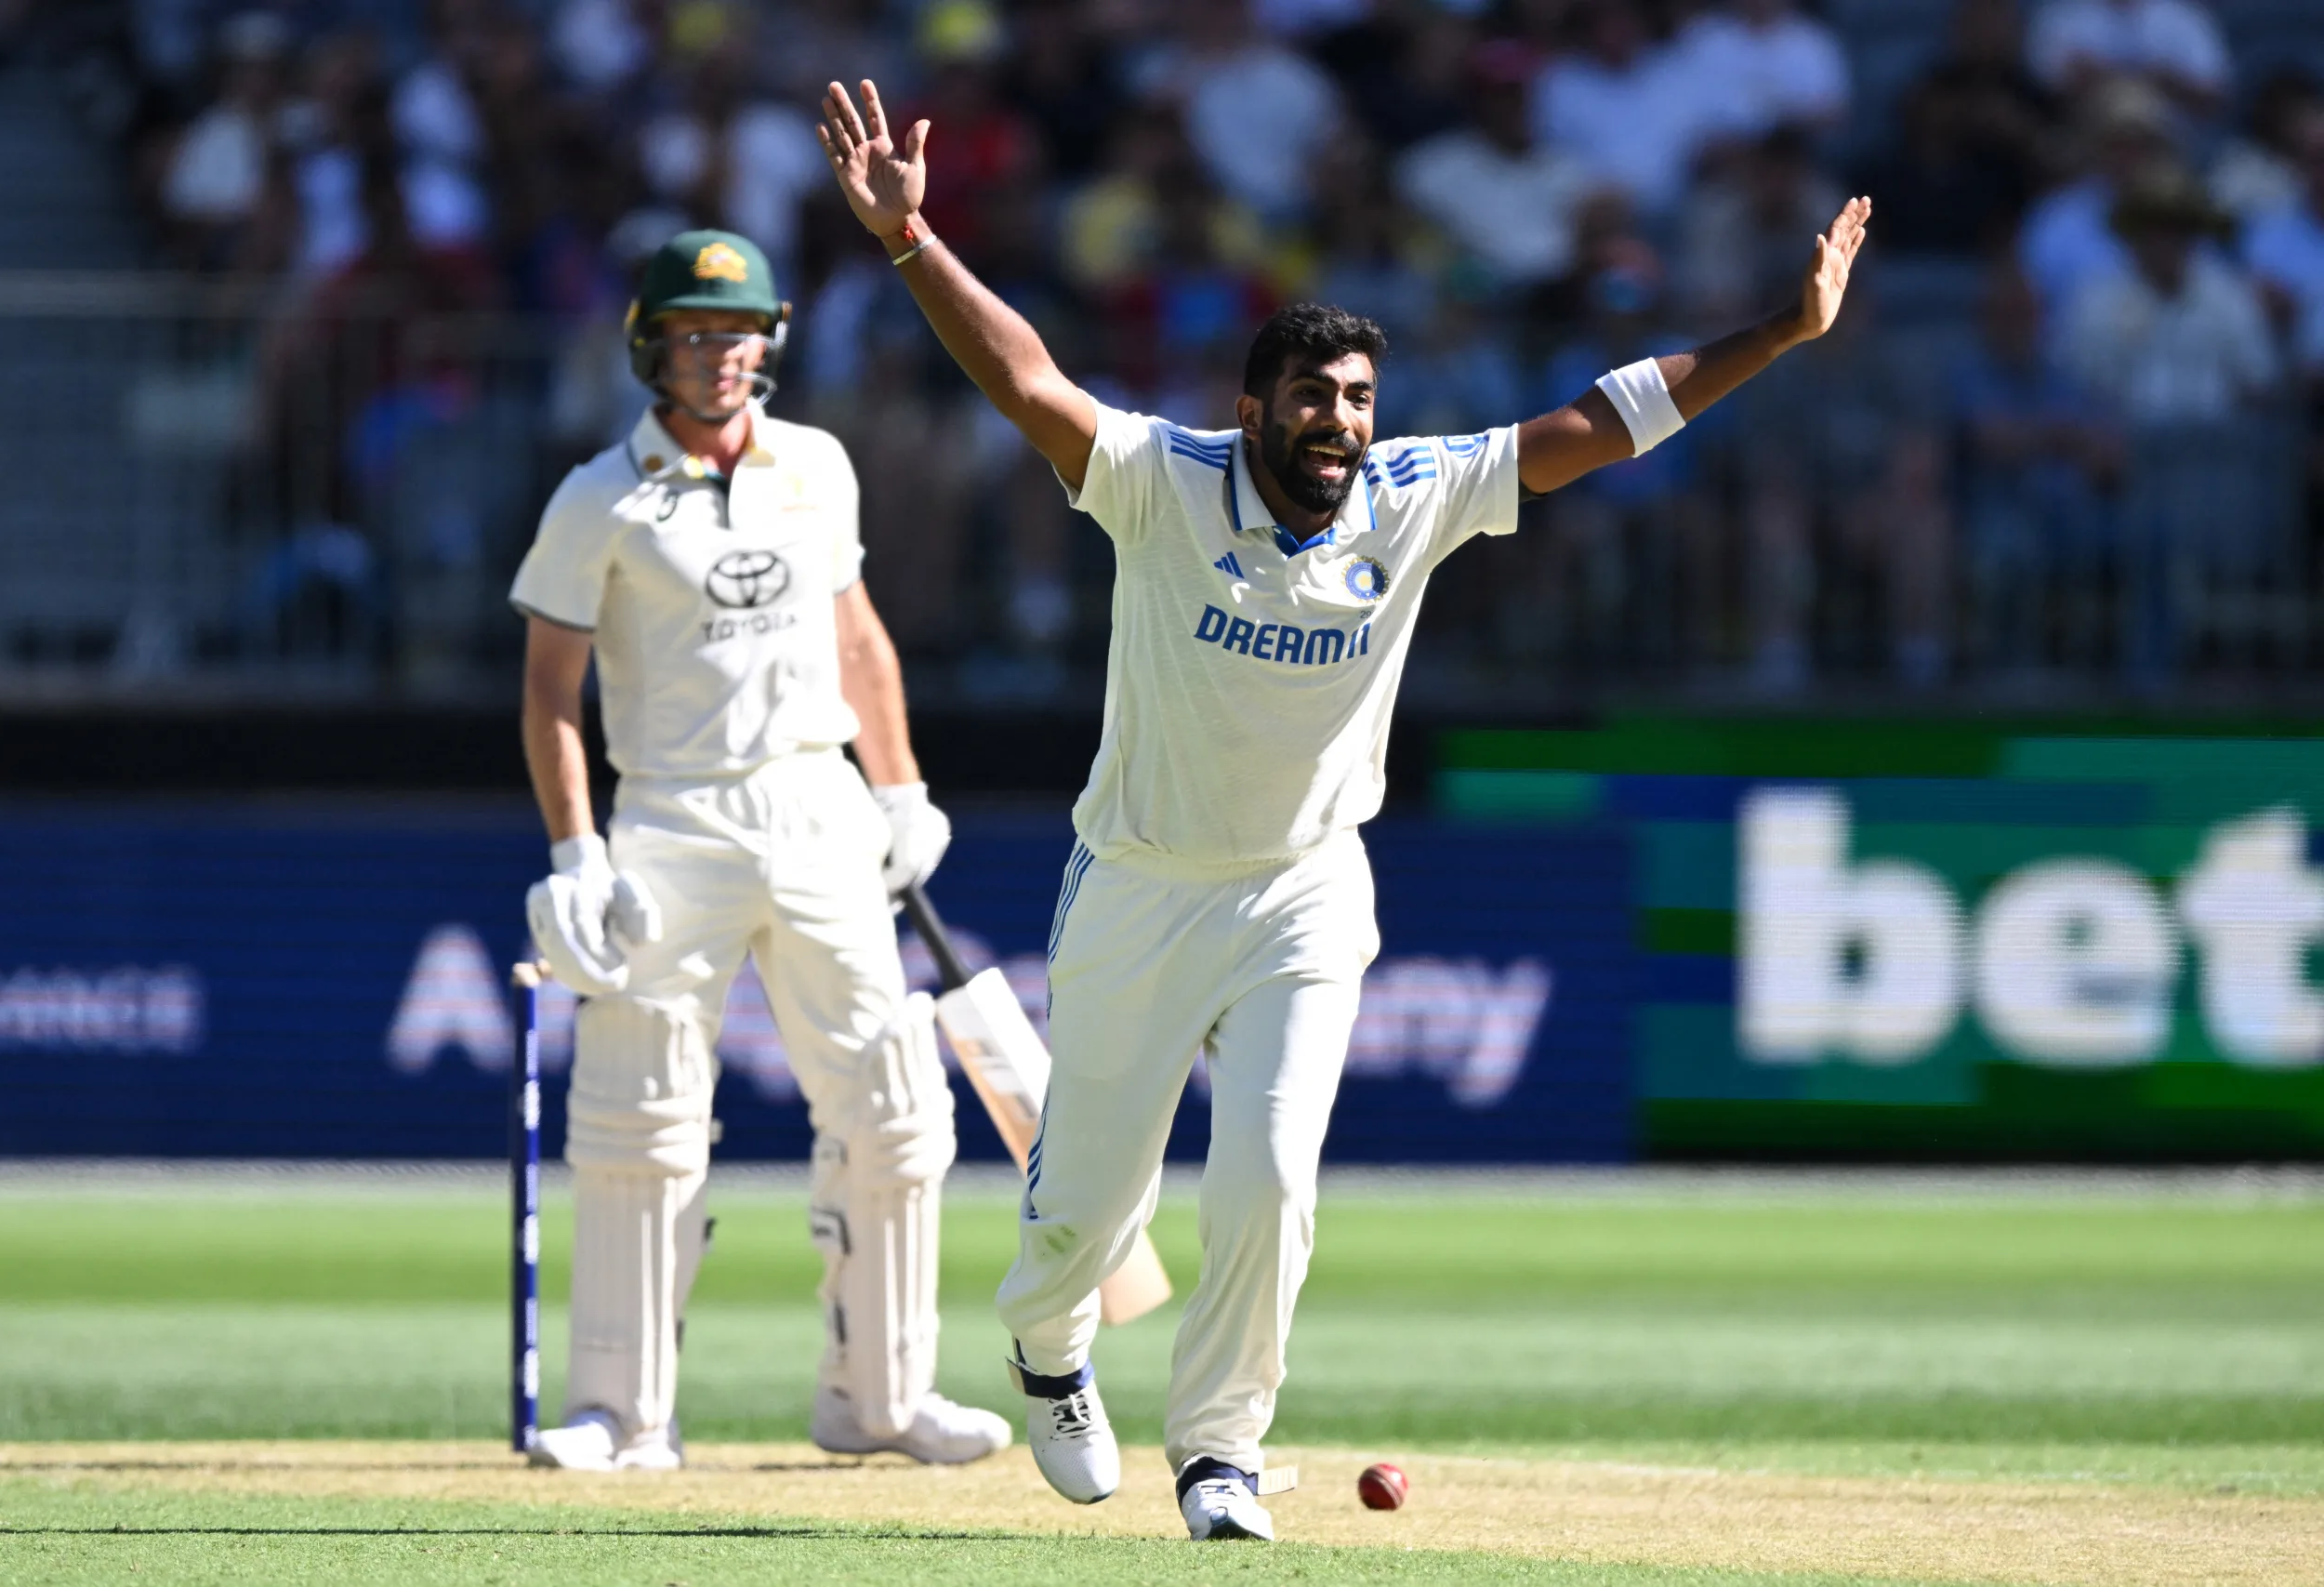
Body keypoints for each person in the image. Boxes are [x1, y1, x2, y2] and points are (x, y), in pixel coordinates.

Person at [815, 79, 1871, 1541]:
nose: (1341, 425)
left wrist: (1778, 334)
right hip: (1139, 879)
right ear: (1253, 408)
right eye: (1313, 399)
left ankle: (1219, 1453)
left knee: (1267, 1174)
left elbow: (1599, 421)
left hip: (1307, 890)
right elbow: (1031, 385)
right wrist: (910, 241)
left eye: (1360, 400)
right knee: (1080, 1217)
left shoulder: (1411, 495)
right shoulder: (1163, 484)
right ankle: (1048, 1345)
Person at [508, 229, 1010, 1473]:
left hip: (817, 807)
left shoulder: (818, 467)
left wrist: (900, 790)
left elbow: (861, 642)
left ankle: (881, 1400)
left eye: (739, 333)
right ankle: (621, 1414)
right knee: (637, 1112)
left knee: (894, 1104)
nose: (722, 354)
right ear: (649, 346)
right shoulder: (597, 499)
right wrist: (575, 851)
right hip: (672, 814)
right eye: (695, 333)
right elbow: (549, 695)